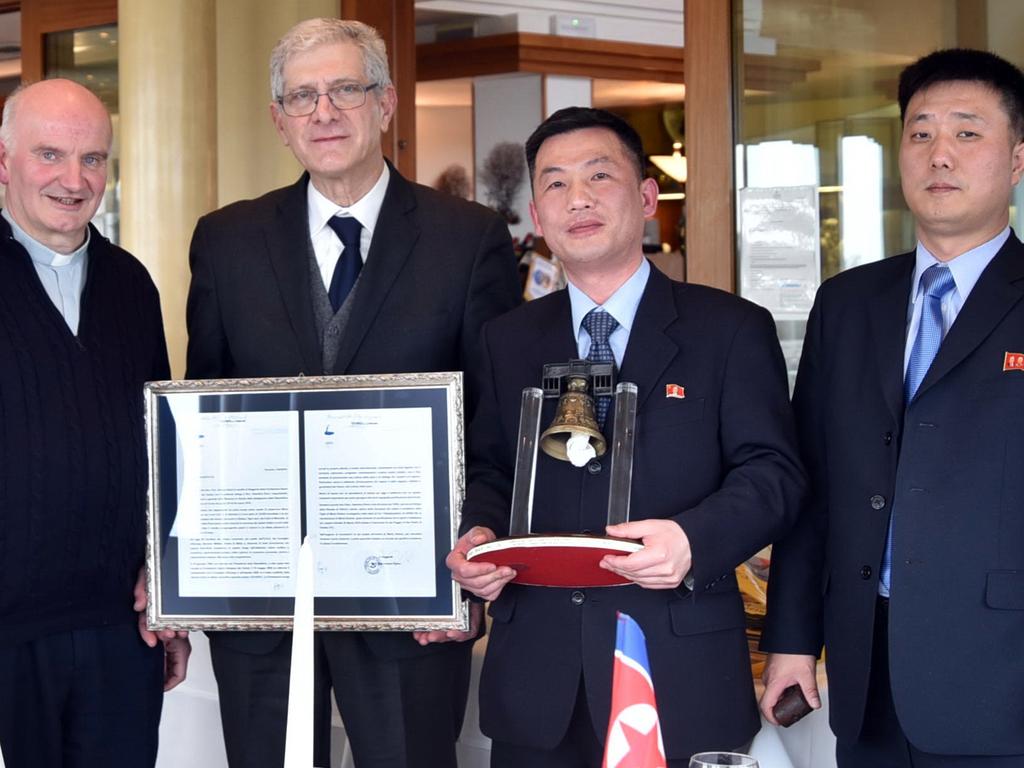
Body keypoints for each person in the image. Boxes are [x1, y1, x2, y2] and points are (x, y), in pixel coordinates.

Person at [185, 17, 521, 768]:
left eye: (345, 89)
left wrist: (475, 551)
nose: (323, 112)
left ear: (386, 103)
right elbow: (203, 424)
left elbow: (492, 425)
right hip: (261, 602)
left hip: (412, 597)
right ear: (279, 121)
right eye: (302, 97)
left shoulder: (467, 239)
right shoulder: (225, 241)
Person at [445, 107, 805, 766]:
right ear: (536, 212)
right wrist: (478, 536)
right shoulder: (509, 339)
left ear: (644, 198)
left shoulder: (727, 330)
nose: (576, 198)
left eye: (598, 176)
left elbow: (773, 476)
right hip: (536, 684)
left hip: (677, 672)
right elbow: (493, 471)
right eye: (554, 184)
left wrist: (693, 539)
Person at [759, 48, 1024, 767]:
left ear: (1017, 159)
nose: (940, 153)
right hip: (864, 673)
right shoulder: (847, 305)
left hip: (1002, 679)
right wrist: (790, 639)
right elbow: (811, 487)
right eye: (920, 132)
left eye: (967, 132)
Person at [0, 79, 190, 768]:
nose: (73, 180)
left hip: (120, 628)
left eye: (93, 159)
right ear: (4, 162)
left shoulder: (131, 284)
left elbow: (163, 447)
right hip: (10, 634)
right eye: (49, 155)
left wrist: (170, 586)